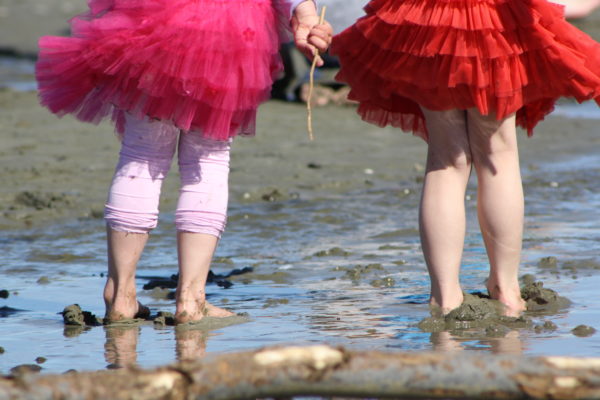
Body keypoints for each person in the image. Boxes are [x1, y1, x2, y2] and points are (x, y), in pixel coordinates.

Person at [36, 0, 332, 324]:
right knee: (208, 160)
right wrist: (302, 7)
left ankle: (120, 295)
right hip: (231, 22)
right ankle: (190, 300)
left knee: (141, 154)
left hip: (152, 15)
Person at [331, 0, 600, 316]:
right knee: (497, 154)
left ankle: (444, 296)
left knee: (446, 160)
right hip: (494, 17)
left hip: (425, 18)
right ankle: (506, 289)